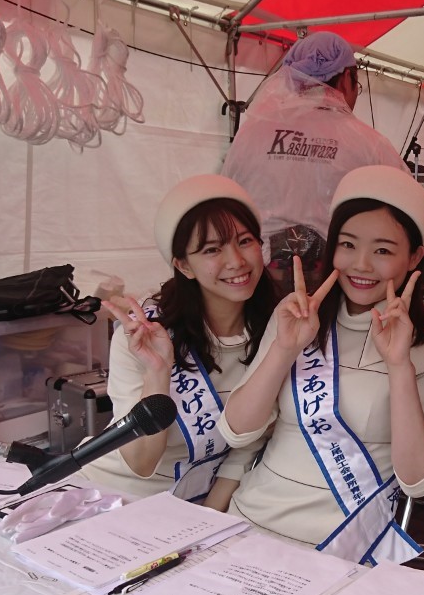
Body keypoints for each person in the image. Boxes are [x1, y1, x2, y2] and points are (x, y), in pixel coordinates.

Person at [219, 165, 424, 564]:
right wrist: (284, 349)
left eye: (382, 250)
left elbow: (420, 482)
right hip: (253, 523)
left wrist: (399, 365)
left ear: (415, 256)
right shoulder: (297, 314)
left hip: (348, 545)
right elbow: (237, 432)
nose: (361, 264)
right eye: (347, 245)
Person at [83, 176, 278, 508]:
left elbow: (248, 446)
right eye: (212, 249)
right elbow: (140, 463)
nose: (236, 261)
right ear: (184, 265)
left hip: (192, 508)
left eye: (245, 241)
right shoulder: (144, 334)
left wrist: (210, 517)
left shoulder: (278, 332)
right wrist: (158, 372)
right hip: (112, 496)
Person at [221, 31, 407, 294]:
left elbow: (224, 200)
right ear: (346, 78)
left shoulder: (251, 133)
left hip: (257, 282)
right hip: (337, 285)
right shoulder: (369, 143)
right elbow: (406, 211)